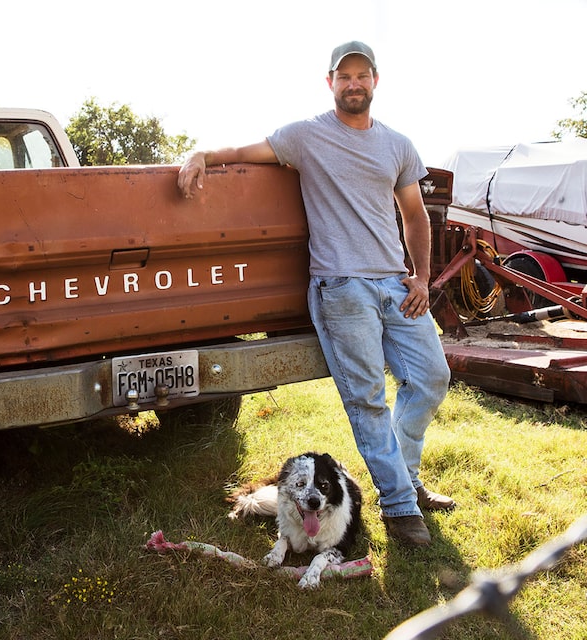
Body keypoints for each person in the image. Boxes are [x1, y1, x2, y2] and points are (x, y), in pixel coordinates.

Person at [178, 41, 454, 547]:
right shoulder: (306, 136)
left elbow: (414, 215)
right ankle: (399, 507)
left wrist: (420, 277)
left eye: (362, 75)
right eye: (343, 75)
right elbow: (243, 152)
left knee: (433, 377)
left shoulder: (398, 144)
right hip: (342, 287)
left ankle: (405, 480)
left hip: (396, 284)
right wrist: (201, 152)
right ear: (330, 82)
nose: (353, 83)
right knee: (367, 399)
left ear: (376, 81)